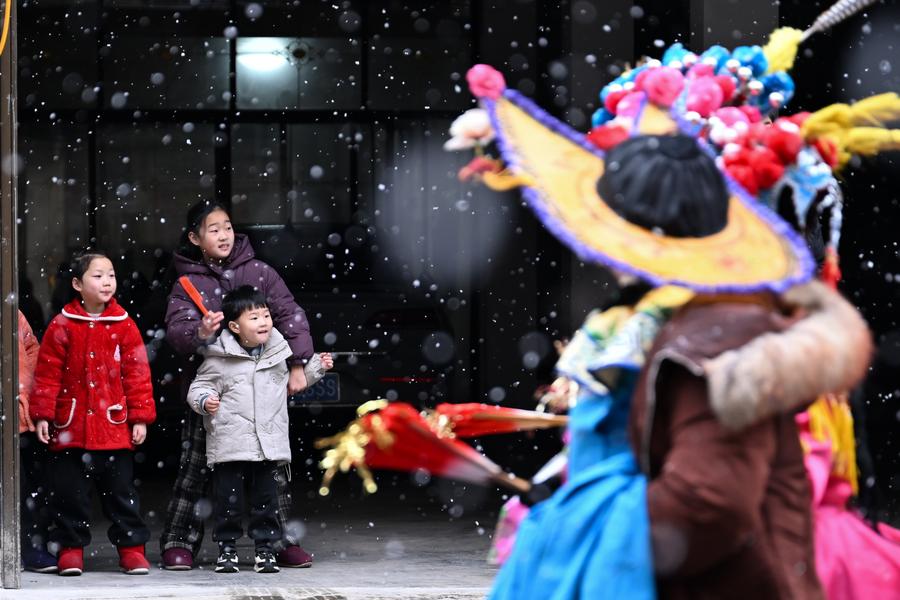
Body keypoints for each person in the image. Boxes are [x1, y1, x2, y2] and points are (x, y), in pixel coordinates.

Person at [160, 200, 324, 570]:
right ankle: (179, 541)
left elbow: (290, 315)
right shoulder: (187, 282)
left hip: (262, 390)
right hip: (214, 392)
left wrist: (299, 363)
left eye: (228, 227)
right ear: (194, 237)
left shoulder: (260, 272)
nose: (224, 235)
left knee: (271, 472)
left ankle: (280, 542)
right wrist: (199, 332)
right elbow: (177, 332)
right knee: (196, 469)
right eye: (213, 229)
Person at [187, 285, 331, 573]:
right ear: (234, 327)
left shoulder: (278, 353)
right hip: (230, 445)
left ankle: (265, 549)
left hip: (267, 447)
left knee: (266, 502)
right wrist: (205, 400)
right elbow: (198, 387)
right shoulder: (219, 358)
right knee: (228, 502)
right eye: (254, 318)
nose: (263, 322)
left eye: (266, 315)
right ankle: (227, 548)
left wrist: (316, 367)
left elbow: (288, 384)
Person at [29, 250, 157, 576]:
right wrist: (43, 414)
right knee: (69, 495)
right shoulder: (62, 324)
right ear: (77, 284)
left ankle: (131, 549)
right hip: (70, 428)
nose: (107, 282)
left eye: (111, 275)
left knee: (121, 495)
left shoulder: (124, 324)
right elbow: (47, 375)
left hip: (114, 428)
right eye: (97, 276)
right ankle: (70, 549)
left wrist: (140, 417)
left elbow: (137, 375)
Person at [18, 310, 56, 573]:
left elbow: (32, 350)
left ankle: (31, 545)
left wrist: (26, 393)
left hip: (17, 414)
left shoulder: (12, 313)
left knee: (27, 486)